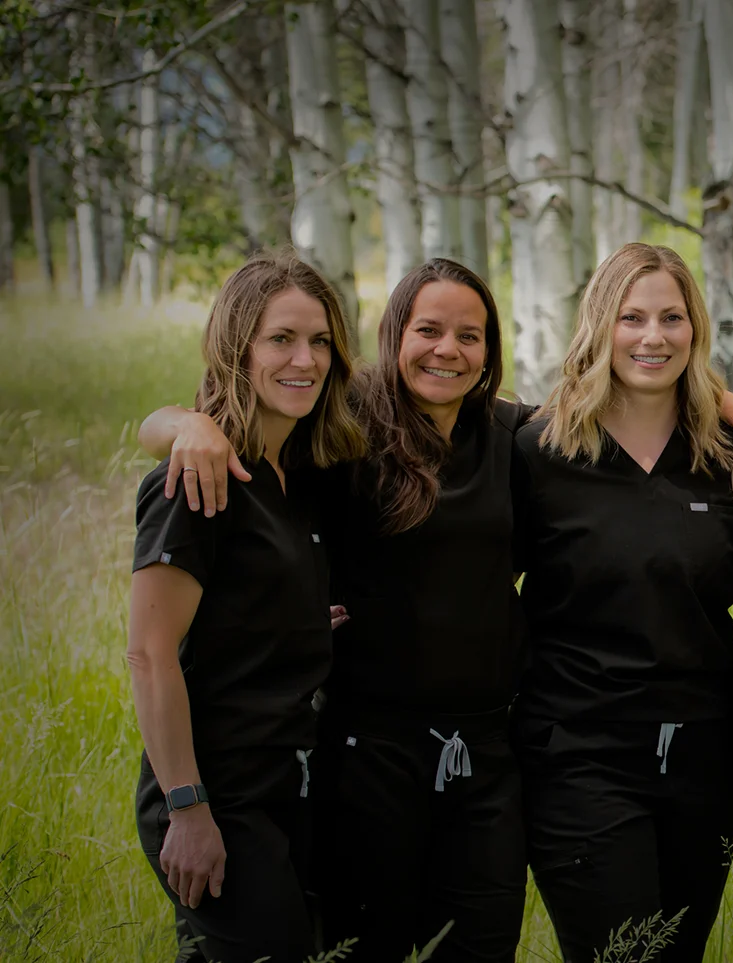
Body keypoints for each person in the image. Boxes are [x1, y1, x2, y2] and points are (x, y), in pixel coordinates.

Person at [140, 258, 532, 961]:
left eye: (319, 343)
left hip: (325, 771)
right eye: (429, 329)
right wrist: (187, 423)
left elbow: (612, 406)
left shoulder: (502, 436)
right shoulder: (278, 449)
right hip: (286, 769)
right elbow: (149, 652)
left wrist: (720, 398)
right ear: (393, 335)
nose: (448, 349)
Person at [127, 252, 365, 961]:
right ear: (238, 346)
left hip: (290, 783)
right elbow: (149, 652)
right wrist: (187, 807)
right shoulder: (198, 481)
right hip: (216, 792)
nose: (305, 359)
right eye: (281, 339)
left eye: (320, 341)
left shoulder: (299, 476)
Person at [511, 243, 733, 963]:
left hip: (704, 753)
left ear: (695, 328)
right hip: (581, 753)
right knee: (622, 956)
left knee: (676, 953)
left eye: (671, 317)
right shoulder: (538, 446)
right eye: (632, 317)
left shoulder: (732, 450)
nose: (653, 337)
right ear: (599, 325)